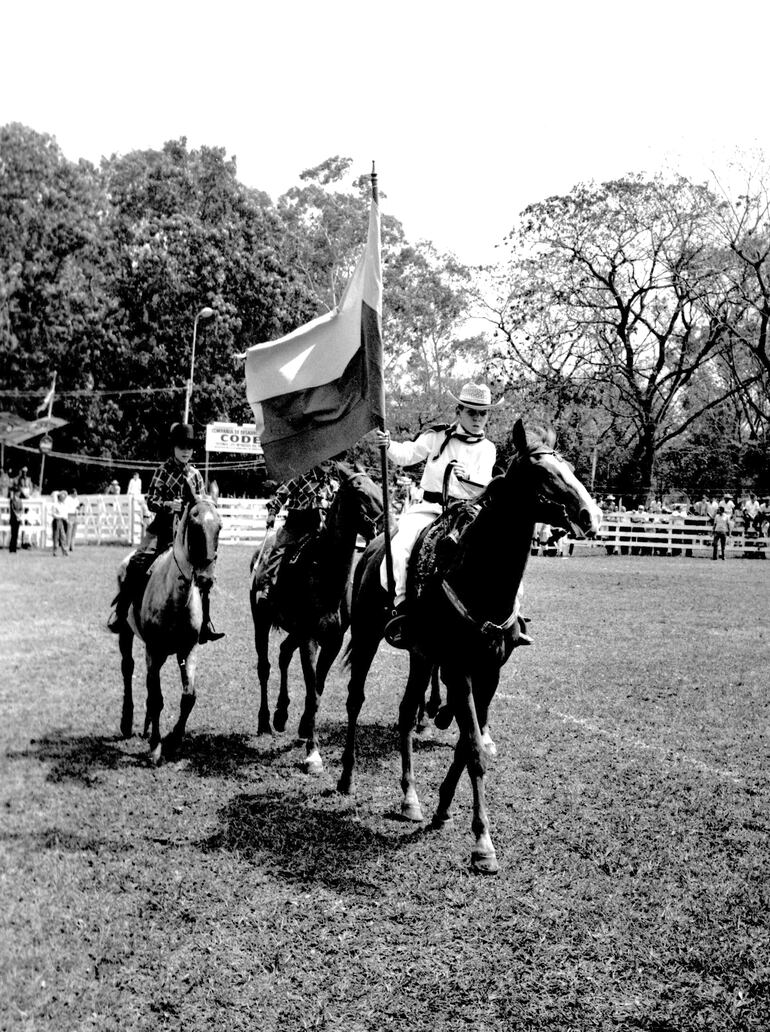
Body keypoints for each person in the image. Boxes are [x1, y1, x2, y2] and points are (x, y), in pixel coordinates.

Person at [375, 381, 530, 649]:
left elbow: (488, 485)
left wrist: (469, 478)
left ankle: (511, 621)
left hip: (470, 513)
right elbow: (407, 454)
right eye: (472, 412)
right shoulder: (436, 437)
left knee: (505, 558)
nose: (477, 418)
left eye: (483, 413)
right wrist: (388, 444)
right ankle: (402, 609)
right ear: (458, 412)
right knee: (400, 549)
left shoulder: (488, 448)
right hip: (430, 509)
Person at [107, 423, 224, 643]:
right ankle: (122, 613)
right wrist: (170, 505)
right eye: (181, 447)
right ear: (173, 448)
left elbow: (201, 506)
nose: (186, 451)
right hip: (162, 529)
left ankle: (205, 622)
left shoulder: (197, 475)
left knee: (205, 569)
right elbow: (151, 501)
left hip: (188, 533)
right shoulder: (162, 471)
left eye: (189, 447)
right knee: (137, 562)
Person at [254, 462, 337, 602]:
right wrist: (273, 513)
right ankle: (267, 585)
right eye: (324, 459)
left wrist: (327, 504)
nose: (327, 462)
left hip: (317, 527)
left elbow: (336, 506)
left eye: (330, 460)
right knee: (278, 549)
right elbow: (282, 494)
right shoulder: (300, 475)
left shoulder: (332, 484)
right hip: (295, 526)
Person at [51, 490, 69, 556]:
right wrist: (61, 516)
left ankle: (65, 551)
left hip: (62, 521)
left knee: (63, 536)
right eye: (62, 497)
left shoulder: (63, 505)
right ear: (59, 497)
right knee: (56, 537)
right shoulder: (55, 505)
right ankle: (55, 551)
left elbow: (65, 513)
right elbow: (53, 514)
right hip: (57, 521)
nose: (64, 498)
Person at [8, 487, 23, 553]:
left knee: (16, 534)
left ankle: (14, 548)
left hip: (18, 518)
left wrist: (20, 515)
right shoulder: (12, 500)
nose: (19, 493)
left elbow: (21, 508)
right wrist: (17, 515)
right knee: (13, 533)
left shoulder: (20, 500)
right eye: (18, 492)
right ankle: (11, 548)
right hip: (13, 519)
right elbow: (13, 509)